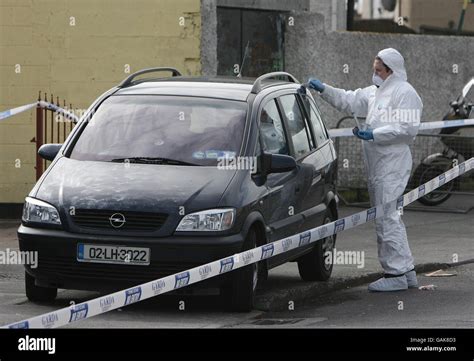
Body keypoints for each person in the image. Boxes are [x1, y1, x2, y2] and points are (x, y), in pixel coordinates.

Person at [307, 48, 423, 292]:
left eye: (379, 71)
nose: (375, 74)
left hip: (392, 164)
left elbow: (407, 128)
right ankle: (406, 271)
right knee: (389, 217)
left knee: (387, 218)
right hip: (378, 165)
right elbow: (348, 100)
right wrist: (324, 89)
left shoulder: (405, 93)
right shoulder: (374, 93)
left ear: (391, 70)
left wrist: (375, 134)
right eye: (374, 70)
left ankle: (396, 274)